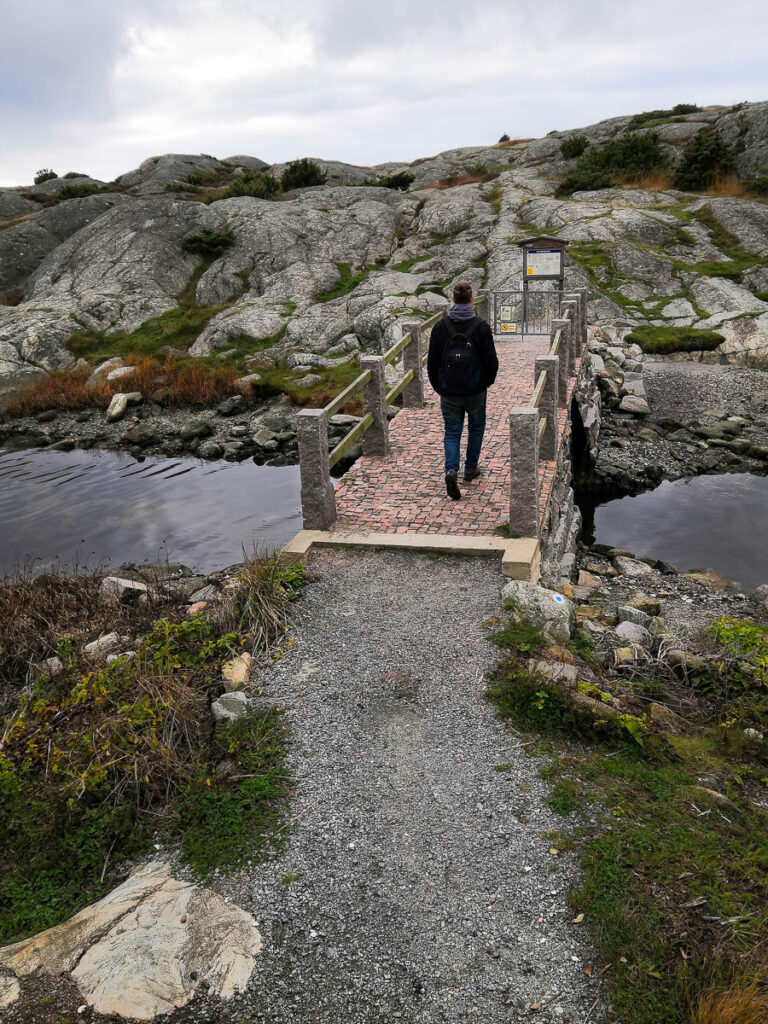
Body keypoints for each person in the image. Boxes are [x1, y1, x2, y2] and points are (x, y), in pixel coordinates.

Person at [427, 281, 499, 500]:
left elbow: (432, 364)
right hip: (475, 390)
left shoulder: (440, 327)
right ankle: (470, 468)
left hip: (449, 392)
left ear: (452, 300)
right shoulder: (481, 326)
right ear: (471, 300)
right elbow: (491, 362)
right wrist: (485, 383)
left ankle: (451, 470)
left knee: (452, 432)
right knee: (476, 428)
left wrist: (439, 387)